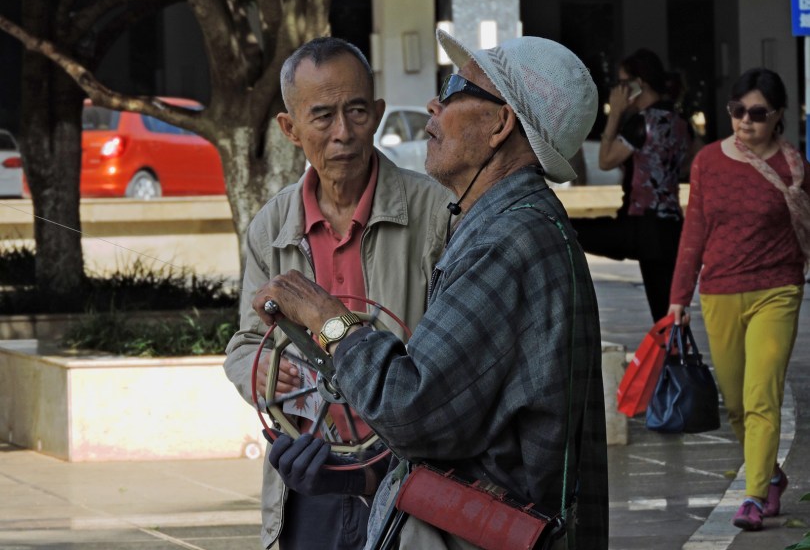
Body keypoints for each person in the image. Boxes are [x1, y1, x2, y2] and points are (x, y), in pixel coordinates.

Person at [252, 30, 609, 549]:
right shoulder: (502, 225)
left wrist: (325, 316)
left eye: (455, 87)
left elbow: (410, 407)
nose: (432, 105)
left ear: (500, 124)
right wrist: (351, 477)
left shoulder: (508, 241)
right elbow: (462, 428)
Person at [223, 37, 451, 550]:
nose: (343, 133)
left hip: (410, 470)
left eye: (355, 112)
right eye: (322, 116)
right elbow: (245, 342)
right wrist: (256, 374)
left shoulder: (436, 213)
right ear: (290, 129)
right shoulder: (272, 227)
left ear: (377, 113)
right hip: (310, 473)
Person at [668, 68, 810, 532]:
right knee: (734, 402)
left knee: (760, 395)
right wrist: (678, 297)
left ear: (778, 116)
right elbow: (695, 230)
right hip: (721, 291)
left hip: (778, 289)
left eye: (757, 113)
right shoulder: (708, 162)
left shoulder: (796, 169)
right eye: (736, 111)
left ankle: (752, 496)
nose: (745, 121)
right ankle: (771, 473)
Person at [572, 49, 692, 322]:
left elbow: (604, 161)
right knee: (667, 312)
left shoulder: (642, 123)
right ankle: (674, 361)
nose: (619, 89)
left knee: (567, 229)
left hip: (640, 226)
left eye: (623, 82)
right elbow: (690, 162)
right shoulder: (681, 121)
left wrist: (614, 115)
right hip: (670, 226)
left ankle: (674, 362)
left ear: (639, 84)